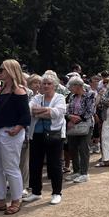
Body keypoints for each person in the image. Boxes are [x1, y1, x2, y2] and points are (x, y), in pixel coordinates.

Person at [0, 59, 30, 215]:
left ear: (10, 70)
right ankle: (0, 200)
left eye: (2, 69)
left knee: (11, 167)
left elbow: (25, 115)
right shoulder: (3, 89)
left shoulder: (18, 90)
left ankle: (16, 199)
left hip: (10, 133)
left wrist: (17, 128)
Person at [24, 72, 67, 205]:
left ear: (54, 85)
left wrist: (40, 112)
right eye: (44, 83)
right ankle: (36, 192)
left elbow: (57, 113)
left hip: (54, 135)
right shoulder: (37, 97)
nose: (46, 86)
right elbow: (30, 110)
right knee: (35, 164)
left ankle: (56, 193)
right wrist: (47, 111)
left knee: (55, 165)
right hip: (36, 135)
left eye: (49, 83)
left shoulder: (60, 97)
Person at [65, 76, 96, 183]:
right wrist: (69, 117)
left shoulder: (90, 95)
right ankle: (76, 171)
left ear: (78, 86)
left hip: (85, 125)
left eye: (71, 86)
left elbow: (90, 111)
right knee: (72, 148)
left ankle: (84, 173)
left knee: (83, 148)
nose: (70, 89)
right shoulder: (72, 96)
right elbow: (67, 109)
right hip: (72, 125)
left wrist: (77, 119)